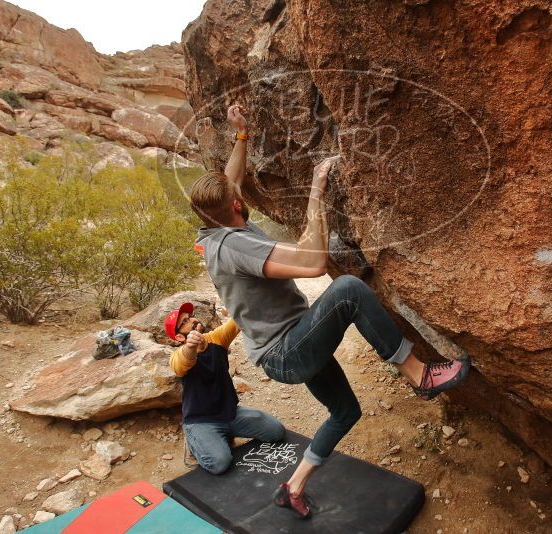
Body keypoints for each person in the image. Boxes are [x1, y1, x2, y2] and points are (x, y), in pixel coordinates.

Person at [188, 104, 470, 518]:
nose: (239, 191)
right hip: (285, 351)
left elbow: (231, 180)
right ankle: (417, 374)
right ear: (234, 207)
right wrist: (316, 191)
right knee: (348, 289)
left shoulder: (212, 227)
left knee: (345, 411)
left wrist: (241, 136)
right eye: (237, 196)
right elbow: (314, 264)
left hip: (291, 338)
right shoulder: (235, 246)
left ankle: (293, 487)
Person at [165, 301, 285, 475]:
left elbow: (239, 317)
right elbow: (182, 363)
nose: (191, 320)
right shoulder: (178, 356)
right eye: (184, 322)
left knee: (276, 432)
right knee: (220, 463)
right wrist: (191, 346)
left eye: (190, 317)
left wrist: (234, 305)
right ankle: (194, 442)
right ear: (179, 337)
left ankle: (224, 436)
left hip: (231, 414)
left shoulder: (217, 338)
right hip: (201, 421)